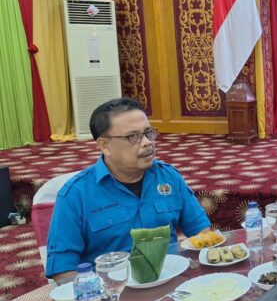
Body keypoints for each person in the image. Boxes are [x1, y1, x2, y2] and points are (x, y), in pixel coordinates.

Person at [45, 98, 210, 282]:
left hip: (170, 284)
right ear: (104, 145)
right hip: (113, 298)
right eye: (133, 137)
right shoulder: (75, 195)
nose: (147, 142)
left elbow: (202, 233)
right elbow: (63, 272)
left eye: (148, 132)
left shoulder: (169, 178)